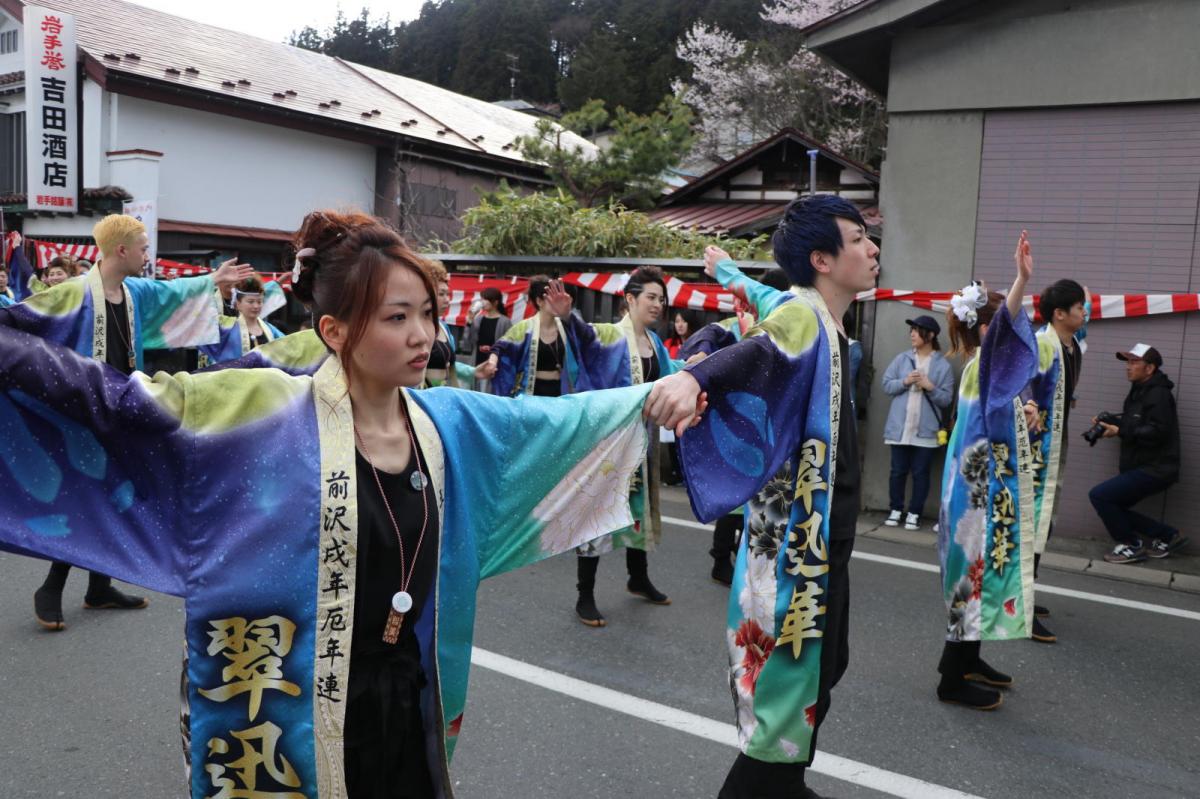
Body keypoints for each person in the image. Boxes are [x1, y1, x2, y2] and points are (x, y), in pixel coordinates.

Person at [0, 209, 660, 797]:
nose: (421, 334)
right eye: (397, 317)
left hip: (406, 705)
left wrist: (678, 388)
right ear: (333, 330)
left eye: (427, 313)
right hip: (297, 701)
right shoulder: (263, 409)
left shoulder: (451, 424)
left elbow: (564, 422)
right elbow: (113, 402)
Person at [645, 195, 877, 799]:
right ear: (822, 259)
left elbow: (762, 300)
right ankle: (771, 785)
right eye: (858, 239)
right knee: (791, 684)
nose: (873, 249)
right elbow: (756, 350)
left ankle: (787, 782)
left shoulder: (815, 313)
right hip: (801, 544)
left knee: (822, 669)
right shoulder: (802, 315)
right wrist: (694, 376)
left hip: (823, 538)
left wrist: (724, 269)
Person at [0, 213, 251, 631]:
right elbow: (26, 319)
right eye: (143, 247)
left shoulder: (134, 292)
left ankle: (99, 588)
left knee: (117, 494)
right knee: (86, 499)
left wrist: (212, 281)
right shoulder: (73, 293)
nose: (147, 254)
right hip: (81, 412)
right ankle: (51, 586)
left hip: (122, 406)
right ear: (121, 250)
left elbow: (172, 293)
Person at [934, 232, 1041, 711]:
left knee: (978, 576)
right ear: (988, 329)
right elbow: (1003, 335)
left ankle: (967, 660)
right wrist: (1020, 280)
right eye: (1003, 322)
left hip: (981, 484)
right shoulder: (985, 362)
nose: (1015, 331)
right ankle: (951, 679)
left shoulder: (984, 367)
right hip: (973, 491)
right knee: (969, 578)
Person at [541, 265, 681, 628]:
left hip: (641, 443)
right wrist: (567, 316)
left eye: (661, 299)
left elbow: (668, 375)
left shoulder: (656, 343)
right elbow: (584, 339)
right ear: (630, 299)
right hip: (609, 446)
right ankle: (584, 594)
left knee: (639, 510)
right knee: (596, 514)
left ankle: (638, 577)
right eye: (650, 297)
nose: (657, 304)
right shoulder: (609, 335)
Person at [681, 261, 793, 587]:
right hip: (737, 424)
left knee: (761, 501)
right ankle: (720, 558)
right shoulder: (741, 324)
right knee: (736, 496)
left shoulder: (786, 329)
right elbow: (706, 334)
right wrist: (703, 352)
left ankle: (751, 560)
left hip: (770, 429)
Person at [1020, 278, 1088, 643]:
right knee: (1031, 523)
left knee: (1043, 523)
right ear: (1059, 314)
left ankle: (1026, 591)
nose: (1085, 312)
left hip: (1054, 448)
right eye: (1079, 307)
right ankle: (1021, 603)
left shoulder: (1072, 344)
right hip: (1035, 453)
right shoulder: (1043, 345)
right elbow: (1023, 389)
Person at [1088, 343, 1185, 564]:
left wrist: (1121, 430)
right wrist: (1111, 422)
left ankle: (1131, 545)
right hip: (1146, 465)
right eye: (1127, 362)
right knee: (1114, 505)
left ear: (1149, 368)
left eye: (1134, 362)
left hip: (1157, 468)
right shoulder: (1139, 391)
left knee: (1100, 496)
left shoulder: (1158, 394)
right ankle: (1168, 535)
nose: (1128, 367)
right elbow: (1136, 423)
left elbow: (1159, 431)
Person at [880, 315, 954, 531]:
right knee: (897, 471)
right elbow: (886, 385)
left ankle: (914, 513)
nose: (912, 334)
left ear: (930, 335)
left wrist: (929, 385)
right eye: (911, 330)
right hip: (900, 429)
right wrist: (905, 381)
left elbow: (946, 399)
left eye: (917, 330)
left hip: (926, 431)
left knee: (921, 473)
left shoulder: (943, 366)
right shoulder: (902, 359)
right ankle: (895, 509)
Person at [479, 274, 576, 398]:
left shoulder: (566, 327)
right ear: (539, 301)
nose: (557, 302)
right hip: (532, 391)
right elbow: (500, 347)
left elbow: (588, 339)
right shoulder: (525, 328)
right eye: (552, 299)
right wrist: (492, 362)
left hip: (559, 391)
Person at [195, 275, 286, 366]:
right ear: (238, 303)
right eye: (250, 302)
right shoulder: (226, 327)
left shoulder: (270, 330)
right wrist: (214, 279)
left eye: (259, 302)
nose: (256, 306)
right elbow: (199, 321)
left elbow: (289, 347)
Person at [461, 285, 512, 392]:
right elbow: (467, 344)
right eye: (482, 299)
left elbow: (509, 346)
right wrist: (469, 321)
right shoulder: (478, 319)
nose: (483, 302)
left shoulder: (505, 322)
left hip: (495, 366)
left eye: (486, 299)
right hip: (477, 362)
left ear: (495, 302)